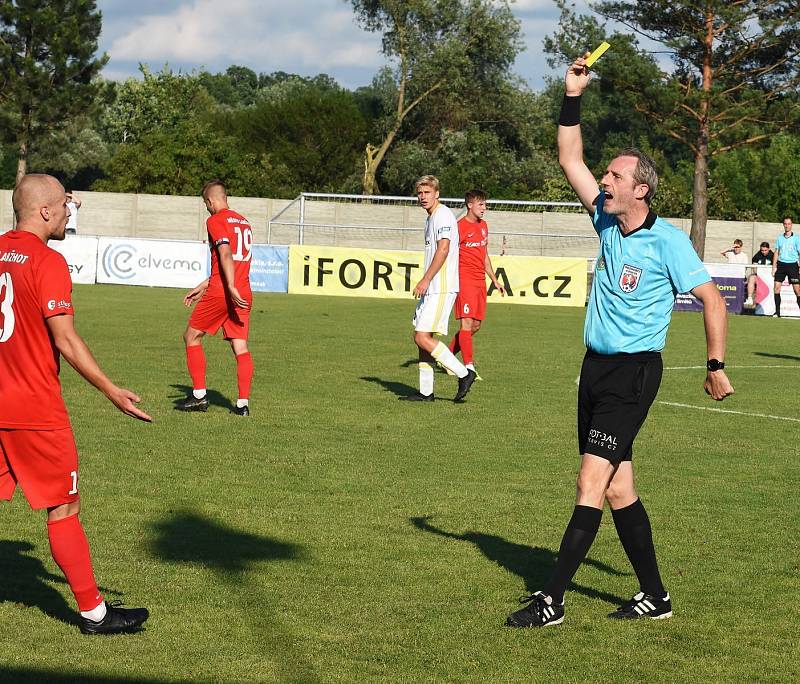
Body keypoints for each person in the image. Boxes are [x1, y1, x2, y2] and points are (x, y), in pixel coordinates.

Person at [505, 54, 734, 629]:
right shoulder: (606, 221)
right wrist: (571, 95)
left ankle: (552, 599)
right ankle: (656, 595)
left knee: (590, 479)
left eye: (614, 177)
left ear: (642, 189)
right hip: (595, 370)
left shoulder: (668, 243)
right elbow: (568, 156)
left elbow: (711, 299)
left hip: (634, 375)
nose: (603, 181)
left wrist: (715, 363)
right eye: (605, 176)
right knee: (617, 489)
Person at [0, 174, 151, 635]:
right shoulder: (47, 261)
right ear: (45, 211)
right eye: (65, 205)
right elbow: (64, 339)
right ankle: (94, 613)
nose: (70, 211)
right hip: (33, 410)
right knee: (63, 507)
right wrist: (111, 389)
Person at [179, 180, 254, 415]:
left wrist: (227, 285)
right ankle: (242, 405)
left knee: (191, 336)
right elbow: (235, 261)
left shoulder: (215, 220)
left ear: (211, 201)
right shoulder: (244, 221)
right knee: (240, 346)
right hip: (243, 290)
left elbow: (225, 253)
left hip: (225, 290)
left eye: (206, 204)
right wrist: (205, 284)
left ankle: (199, 396)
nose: (207, 208)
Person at [400, 175, 476, 402]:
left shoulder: (442, 215)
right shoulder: (432, 217)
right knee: (423, 336)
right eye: (420, 193)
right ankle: (426, 392)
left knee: (422, 337)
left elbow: (443, 249)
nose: (423, 197)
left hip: (441, 286)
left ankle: (464, 373)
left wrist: (426, 279)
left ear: (437, 194)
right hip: (433, 287)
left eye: (427, 192)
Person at [447, 189, 505, 378]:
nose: (484, 208)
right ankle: (468, 367)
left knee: (476, 326)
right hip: (465, 281)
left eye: (485, 204)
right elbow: (448, 254)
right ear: (470, 205)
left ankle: (445, 357)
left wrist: (494, 280)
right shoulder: (459, 227)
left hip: (480, 282)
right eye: (481, 204)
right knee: (466, 323)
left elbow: (484, 256)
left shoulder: (483, 226)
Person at [771, 216, 800, 317]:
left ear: (791, 225)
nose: (787, 226)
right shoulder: (780, 238)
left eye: (789, 224)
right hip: (781, 265)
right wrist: (773, 267)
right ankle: (777, 313)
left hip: (792, 266)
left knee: (797, 290)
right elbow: (776, 252)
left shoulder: (797, 238)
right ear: (783, 225)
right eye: (785, 224)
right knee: (776, 288)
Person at [745, 242, 774, 307]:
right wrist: (759, 274)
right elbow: (754, 268)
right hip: (760, 276)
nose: (763, 252)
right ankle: (749, 298)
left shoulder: (773, 255)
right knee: (751, 278)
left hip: (770, 277)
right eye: (762, 250)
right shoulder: (757, 256)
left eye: (765, 250)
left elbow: (776, 268)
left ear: (769, 249)